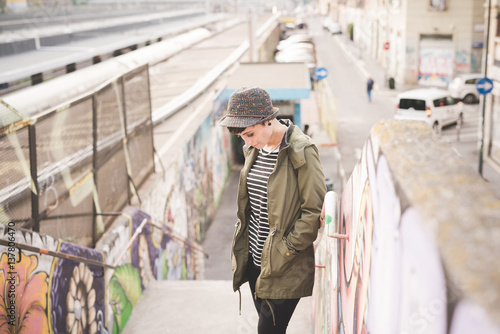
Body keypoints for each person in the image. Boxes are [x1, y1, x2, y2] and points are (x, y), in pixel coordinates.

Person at [219, 87, 327, 334]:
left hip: (284, 263)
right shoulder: (254, 149)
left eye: (249, 134)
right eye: (242, 137)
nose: (246, 142)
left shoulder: (302, 151)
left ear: (268, 120)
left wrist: (286, 249)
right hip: (255, 261)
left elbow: (313, 210)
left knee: (267, 330)